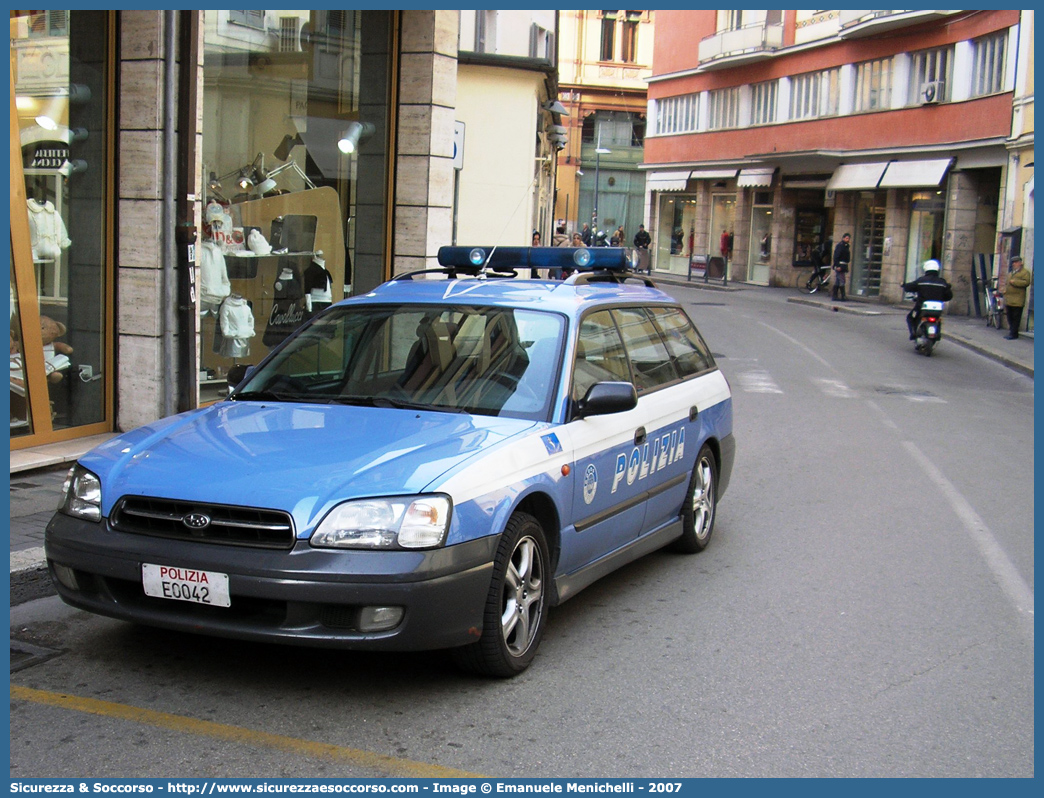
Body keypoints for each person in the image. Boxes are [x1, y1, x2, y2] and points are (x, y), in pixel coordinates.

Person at [902, 259, 953, 339]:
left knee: (911, 317)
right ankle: (937, 331)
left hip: (922, 307)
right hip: (938, 308)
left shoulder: (921, 280)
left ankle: (913, 333)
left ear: (926, 269)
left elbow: (909, 287)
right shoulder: (942, 282)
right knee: (938, 319)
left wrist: (904, 285)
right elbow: (949, 296)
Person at [1002, 255, 1033, 339]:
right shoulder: (1011, 273)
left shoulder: (1025, 273)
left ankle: (1014, 334)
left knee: (1016, 317)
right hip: (1009, 299)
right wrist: (1005, 290)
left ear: (1020, 263)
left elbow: (1026, 282)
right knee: (1009, 316)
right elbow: (1007, 283)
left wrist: (1015, 282)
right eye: (1013, 263)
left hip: (1017, 300)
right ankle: (1011, 331)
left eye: (1016, 262)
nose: (1014, 264)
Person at [832, 233, 851, 301]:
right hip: (840, 265)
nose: (847, 239)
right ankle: (843, 296)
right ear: (843, 238)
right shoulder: (840, 246)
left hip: (844, 265)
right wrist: (837, 265)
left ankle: (835, 295)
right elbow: (836, 256)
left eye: (848, 238)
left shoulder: (846, 246)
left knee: (838, 281)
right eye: (846, 238)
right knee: (842, 280)